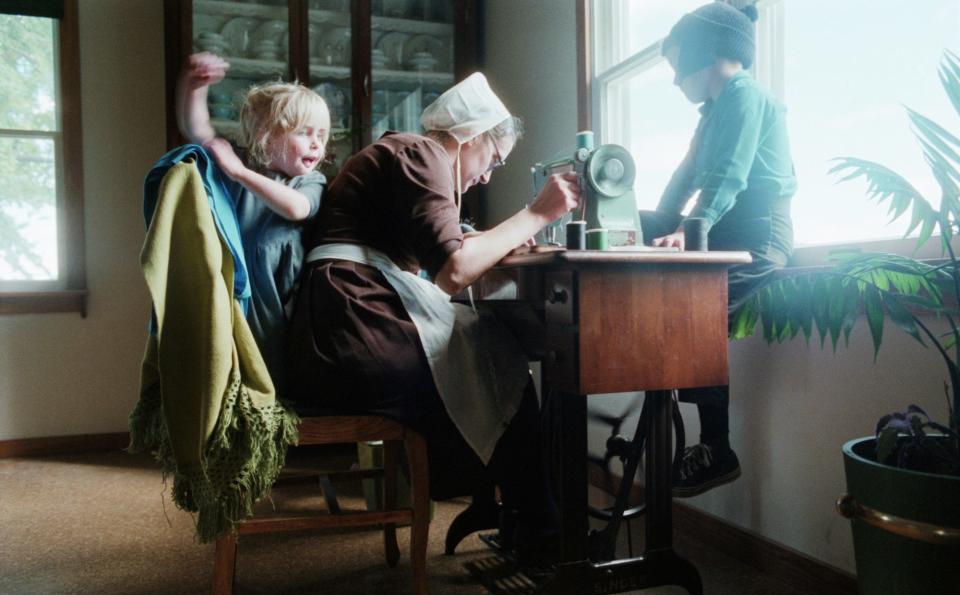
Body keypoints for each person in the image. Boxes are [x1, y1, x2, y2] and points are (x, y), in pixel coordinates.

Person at [285, 72, 580, 557]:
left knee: (493, 355)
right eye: (494, 159)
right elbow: (454, 269)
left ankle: (521, 517)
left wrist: (497, 237)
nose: (487, 175)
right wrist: (539, 212)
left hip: (338, 328)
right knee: (504, 368)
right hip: (355, 327)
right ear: (471, 138)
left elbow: (452, 244)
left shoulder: (404, 154)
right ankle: (543, 534)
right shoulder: (422, 153)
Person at [639, 2, 797, 497]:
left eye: (675, 65)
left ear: (703, 55)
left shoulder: (744, 96)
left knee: (698, 311)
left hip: (759, 235)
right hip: (726, 232)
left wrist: (691, 227)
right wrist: (648, 224)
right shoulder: (714, 111)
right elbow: (686, 175)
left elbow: (729, 174)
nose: (672, 80)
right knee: (642, 233)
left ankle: (717, 447)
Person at [176, 52, 330, 391]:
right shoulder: (237, 165)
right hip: (232, 287)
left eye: (322, 133)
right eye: (304, 132)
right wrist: (195, 86)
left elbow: (298, 209)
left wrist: (240, 173)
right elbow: (198, 130)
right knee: (225, 366)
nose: (317, 143)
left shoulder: (309, 182)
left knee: (272, 370)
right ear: (266, 134)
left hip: (279, 299)